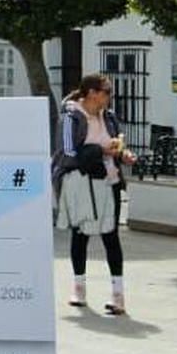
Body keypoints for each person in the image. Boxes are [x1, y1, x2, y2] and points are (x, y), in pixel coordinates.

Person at [52, 73, 136, 316]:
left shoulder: (109, 117)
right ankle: (78, 289)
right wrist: (101, 150)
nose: (110, 96)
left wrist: (123, 154)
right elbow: (67, 152)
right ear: (91, 93)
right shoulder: (71, 117)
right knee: (80, 235)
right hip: (82, 184)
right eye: (106, 91)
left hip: (109, 182)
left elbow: (116, 147)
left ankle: (118, 295)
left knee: (111, 237)